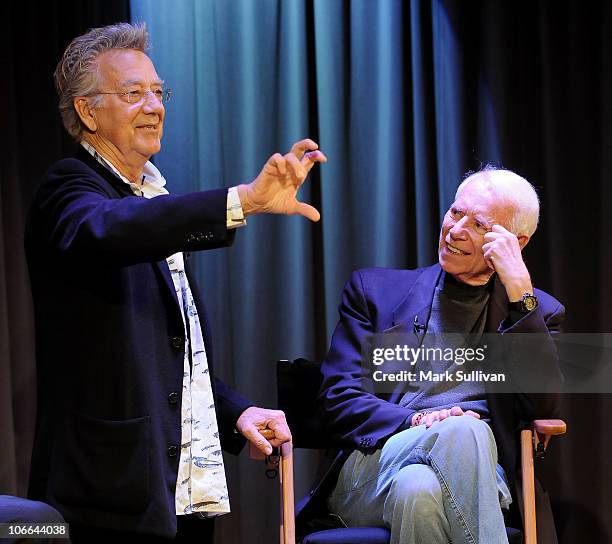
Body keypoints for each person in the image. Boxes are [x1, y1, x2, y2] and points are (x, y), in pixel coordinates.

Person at [25, 22, 326, 542]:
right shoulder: (69, 188)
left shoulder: (152, 196)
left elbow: (169, 359)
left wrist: (235, 413)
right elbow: (105, 231)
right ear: (88, 112)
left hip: (180, 487)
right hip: (107, 493)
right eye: (134, 93)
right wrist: (242, 202)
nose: (154, 106)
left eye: (158, 92)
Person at [311, 167, 564, 544]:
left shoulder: (538, 312)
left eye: (479, 225)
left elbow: (542, 404)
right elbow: (338, 398)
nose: (456, 229)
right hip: (375, 465)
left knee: (419, 491)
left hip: (480, 475)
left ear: (517, 242)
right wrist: (418, 419)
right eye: (455, 212)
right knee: (464, 429)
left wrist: (521, 297)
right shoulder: (376, 292)